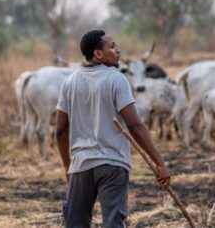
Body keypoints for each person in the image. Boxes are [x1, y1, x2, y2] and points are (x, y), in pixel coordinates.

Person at [55, 30, 170, 228]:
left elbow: (60, 130)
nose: (118, 51)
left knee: (75, 224)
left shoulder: (69, 82)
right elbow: (134, 125)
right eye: (112, 46)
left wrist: (69, 167)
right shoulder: (117, 79)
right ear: (98, 54)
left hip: (80, 165)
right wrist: (159, 162)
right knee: (113, 223)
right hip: (113, 163)